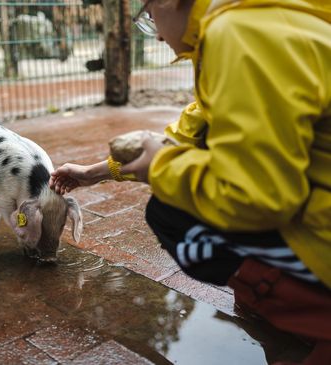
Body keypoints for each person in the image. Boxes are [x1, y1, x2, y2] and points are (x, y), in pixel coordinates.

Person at [49, 0, 331, 364]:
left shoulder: (239, 33)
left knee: (170, 214)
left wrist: (161, 168)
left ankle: (305, 310)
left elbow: (261, 198)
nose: (158, 34)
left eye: (149, 16)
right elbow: (189, 133)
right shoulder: (266, 15)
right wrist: (93, 173)